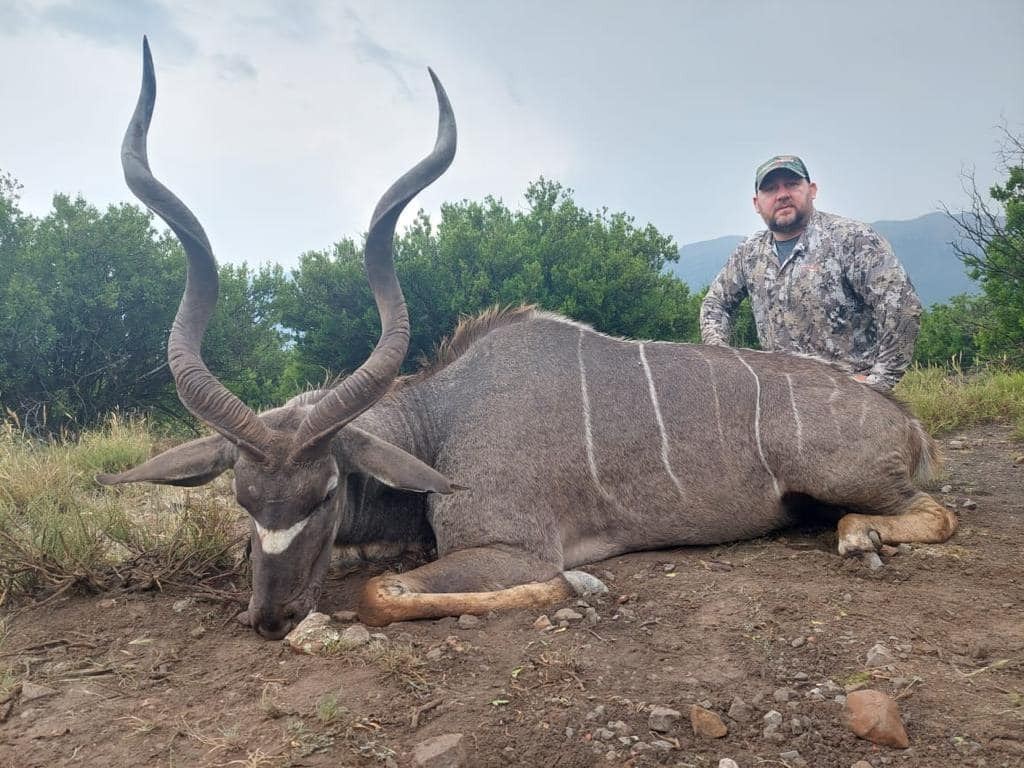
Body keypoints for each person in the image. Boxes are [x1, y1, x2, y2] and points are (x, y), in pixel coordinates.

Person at [699, 155, 922, 390]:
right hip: (782, 396)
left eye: (792, 184)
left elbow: (902, 305)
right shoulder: (749, 252)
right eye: (771, 189)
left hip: (848, 398)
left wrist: (879, 381)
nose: (782, 195)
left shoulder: (852, 239)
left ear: (812, 190)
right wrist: (722, 361)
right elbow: (715, 304)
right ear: (756, 203)